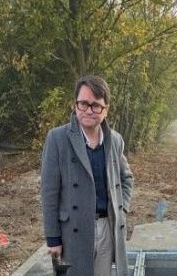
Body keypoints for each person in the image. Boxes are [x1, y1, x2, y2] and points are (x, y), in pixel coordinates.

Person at [41, 75, 134, 276]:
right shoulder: (57, 138)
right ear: (75, 105)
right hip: (72, 231)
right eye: (83, 104)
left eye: (96, 105)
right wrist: (53, 239)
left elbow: (126, 179)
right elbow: (49, 192)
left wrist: (121, 210)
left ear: (106, 110)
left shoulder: (115, 140)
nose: (89, 111)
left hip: (106, 228)